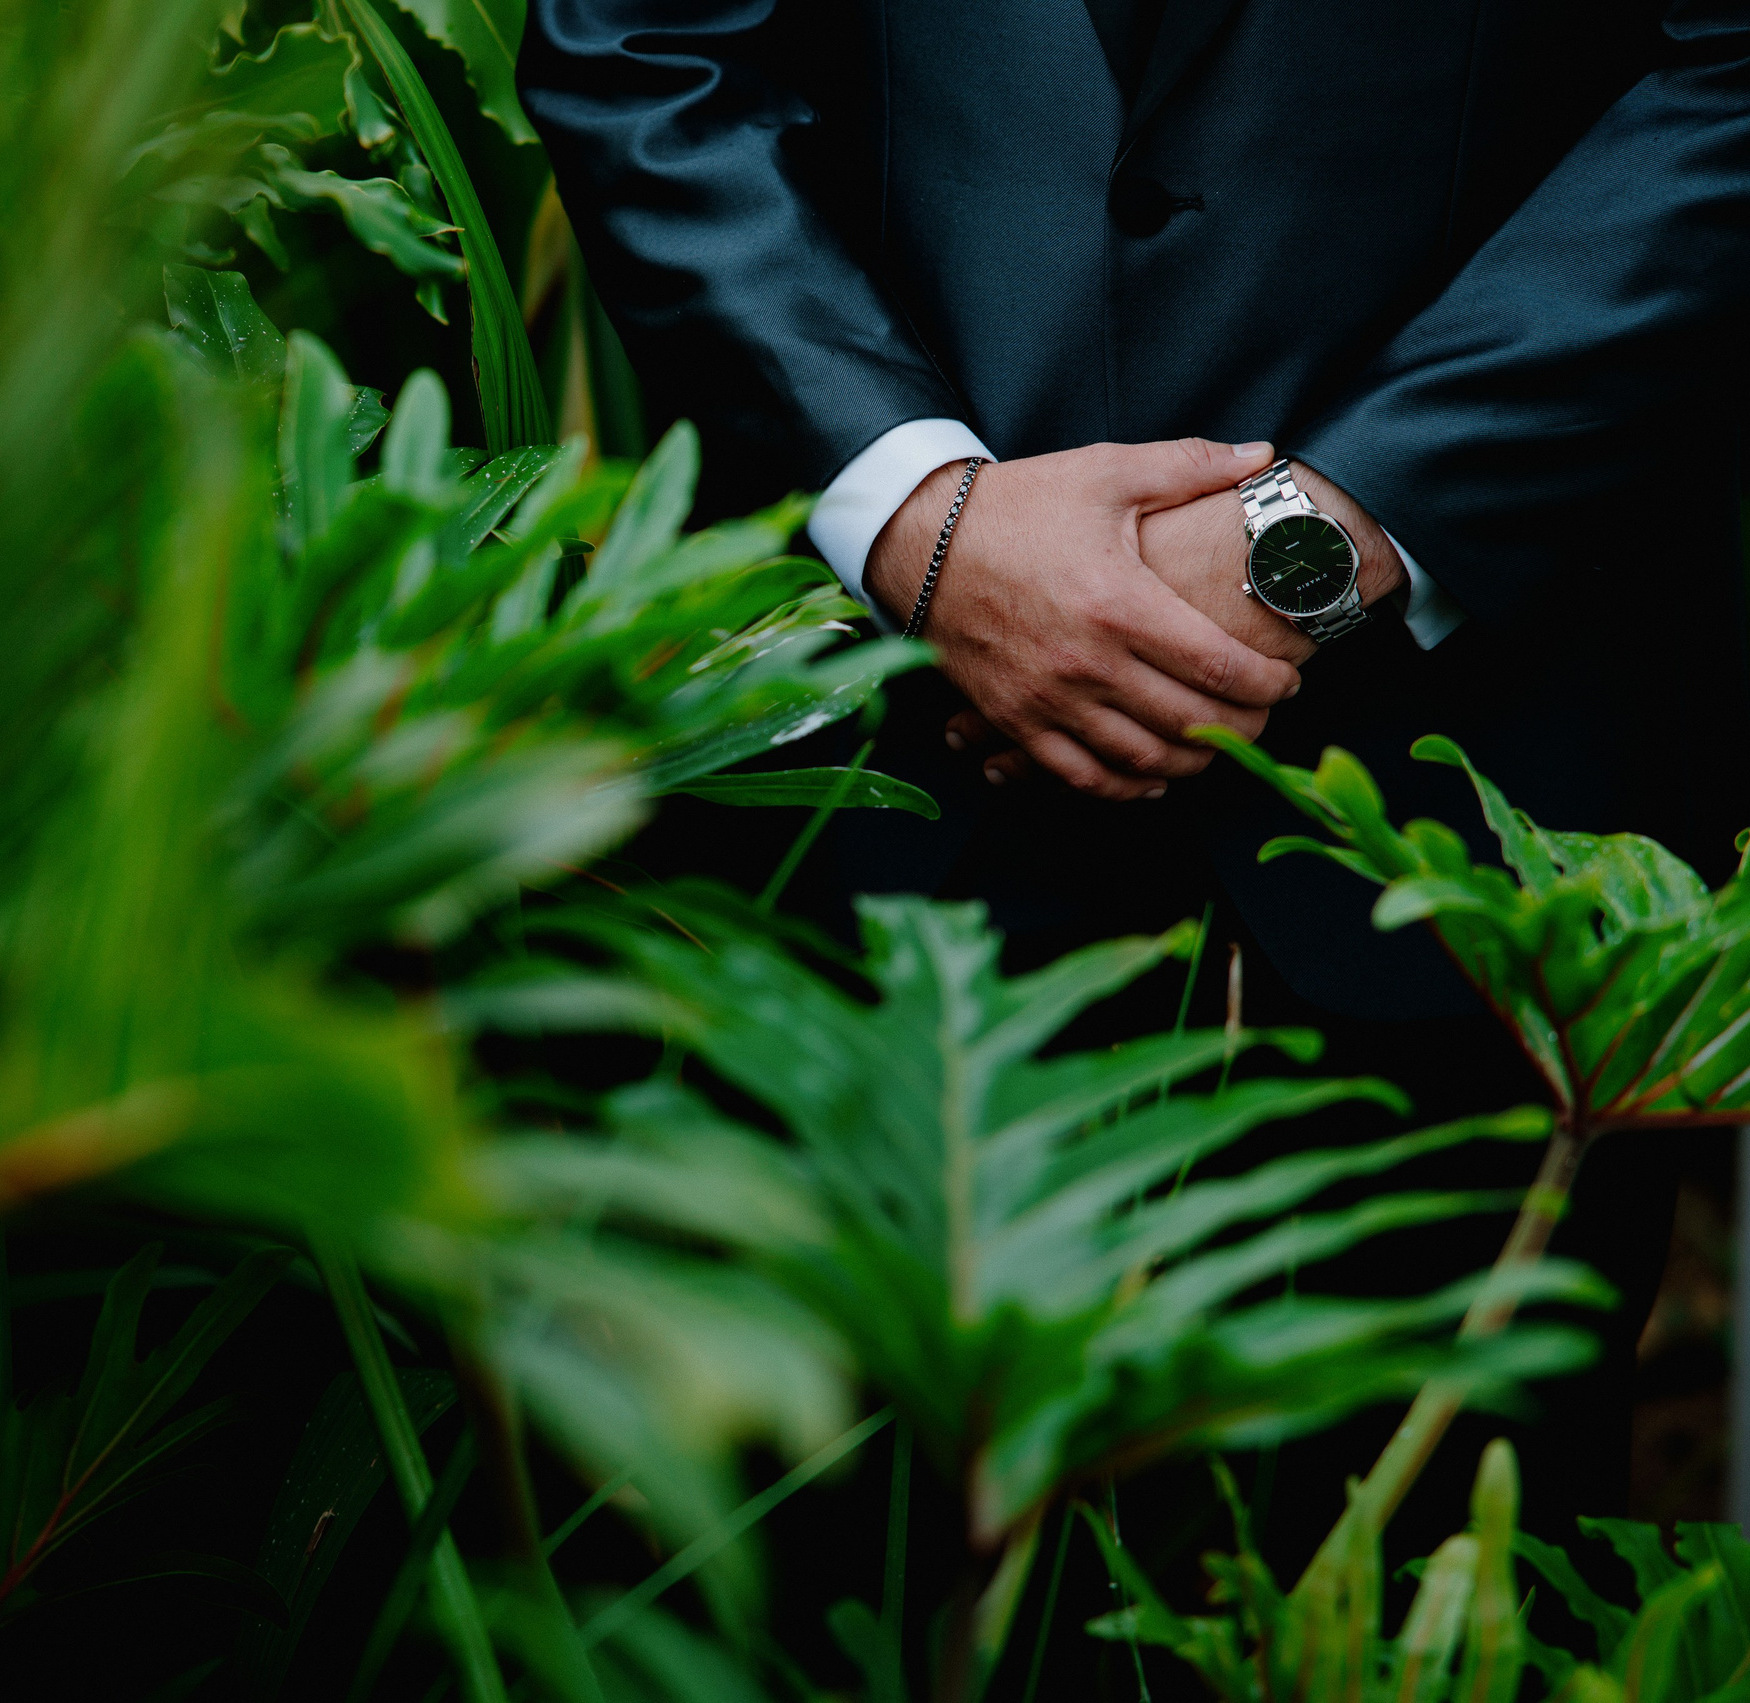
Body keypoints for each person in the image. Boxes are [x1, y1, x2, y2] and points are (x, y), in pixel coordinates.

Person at [521, 0, 1750, 1597]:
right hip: (871, 812)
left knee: (1410, 1590)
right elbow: (641, 44)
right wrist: (914, 511)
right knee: (858, 1594)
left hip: (1464, 841)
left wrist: (1328, 538)